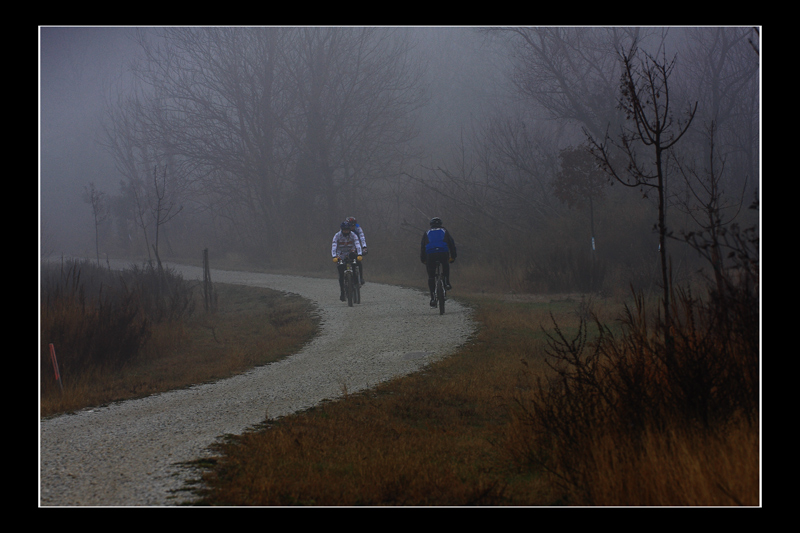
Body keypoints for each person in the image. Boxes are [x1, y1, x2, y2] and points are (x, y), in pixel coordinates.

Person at [420, 217, 456, 307]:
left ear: (431, 225)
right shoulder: (444, 231)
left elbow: (422, 247)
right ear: (441, 224)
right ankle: (447, 282)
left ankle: (432, 298)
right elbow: (451, 244)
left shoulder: (427, 232)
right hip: (443, 252)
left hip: (430, 254)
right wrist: (453, 256)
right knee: (445, 265)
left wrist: (423, 259)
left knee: (431, 276)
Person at [332, 220, 363, 301]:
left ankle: (356, 281)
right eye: (344, 230)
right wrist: (334, 256)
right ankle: (342, 292)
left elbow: (357, 244)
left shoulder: (353, 235)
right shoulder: (337, 235)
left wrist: (359, 254)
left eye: (347, 230)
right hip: (340, 254)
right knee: (341, 273)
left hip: (350, 252)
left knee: (355, 262)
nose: (346, 231)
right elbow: (334, 246)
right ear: (342, 230)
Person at [346, 216, 367, 284]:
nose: (352, 227)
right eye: (351, 226)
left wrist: (364, 247)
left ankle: (360, 277)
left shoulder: (358, 228)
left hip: (356, 245)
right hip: (347, 246)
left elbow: (362, 237)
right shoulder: (344, 229)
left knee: (358, 260)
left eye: (353, 225)